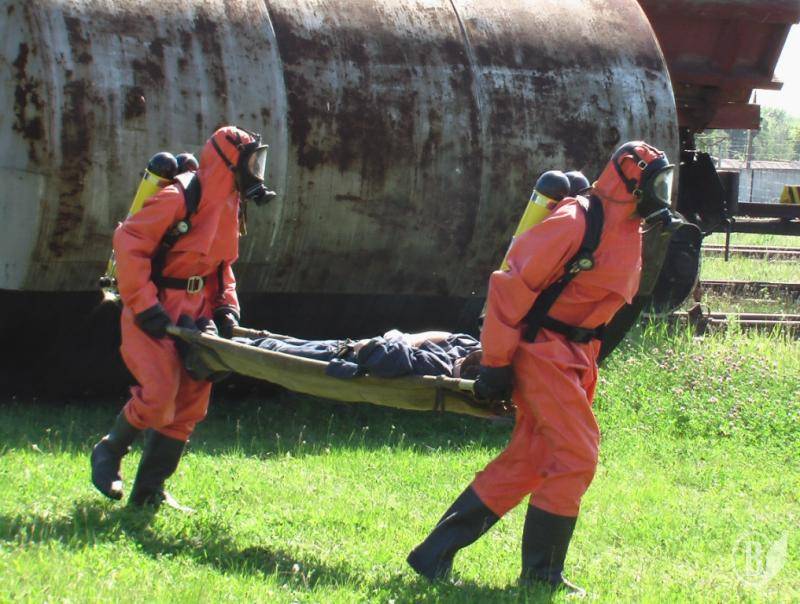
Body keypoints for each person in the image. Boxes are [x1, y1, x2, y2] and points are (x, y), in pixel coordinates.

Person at [406, 141, 674, 594]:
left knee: (530, 460)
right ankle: (541, 575)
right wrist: (495, 363)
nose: (662, 194)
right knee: (576, 455)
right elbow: (509, 288)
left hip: (574, 357)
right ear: (630, 182)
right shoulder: (575, 221)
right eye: (656, 184)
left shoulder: (629, 226)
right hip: (544, 354)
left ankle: (433, 554)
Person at [90, 126, 276, 508]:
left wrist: (226, 308)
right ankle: (109, 451)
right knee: (159, 394)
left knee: (190, 401)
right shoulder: (179, 196)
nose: (255, 173)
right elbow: (129, 242)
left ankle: (149, 492)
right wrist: (144, 305)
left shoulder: (230, 204)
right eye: (250, 163)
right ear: (229, 162)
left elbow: (222, 267)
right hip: (155, 306)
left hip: (197, 311)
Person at [231, 329, 482, 379]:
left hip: (345, 358)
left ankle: (223, 344)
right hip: (346, 347)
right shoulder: (466, 347)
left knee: (278, 350)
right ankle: (230, 340)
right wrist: (406, 338)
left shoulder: (432, 366)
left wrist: (393, 339)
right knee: (285, 343)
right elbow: (448, 335)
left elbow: (376, 355)